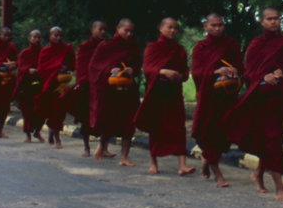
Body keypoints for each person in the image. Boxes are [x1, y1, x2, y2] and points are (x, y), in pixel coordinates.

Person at [231, 8, 283, 200]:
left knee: (276, 141)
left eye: (276, 18)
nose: (274, 22)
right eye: (269, 19)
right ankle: (280, 188)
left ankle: (258, 174)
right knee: (271, 141)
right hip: (261, 101)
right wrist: (264, 76)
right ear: (262, 22)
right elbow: (248, 74)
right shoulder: (256, 44)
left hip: (282, 99)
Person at [134, 17, 197, 176]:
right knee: (157, 128)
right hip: (157, 93)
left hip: (174, 94)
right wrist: (163, 71)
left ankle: (182, 165)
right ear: (161, 29)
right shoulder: (152, 47)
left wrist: (179, 76)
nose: (173, 31)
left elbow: (185, 71)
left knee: (178, 128)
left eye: (175, 28)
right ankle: (153, 162)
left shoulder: (179, 49)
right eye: (169, 27)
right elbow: (147, 69)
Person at [189, 13, 244, 188]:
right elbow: (196, 72)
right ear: (205, 27)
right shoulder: (200, 47)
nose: (217, 28)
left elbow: (241, 67)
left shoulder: (231, 45)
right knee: (208, 133)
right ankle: (217, 174)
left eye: (220, 25)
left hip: (227, 96)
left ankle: (207, 160)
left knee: (222, 135)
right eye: (213, 25)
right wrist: (215, 71)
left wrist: (233, 70)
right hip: (208, 98)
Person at [88, 19, 140, 166]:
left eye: (131, 31)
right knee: (108, 119)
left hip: (128, 89)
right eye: (126, 30)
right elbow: (94, 66)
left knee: (129, 123)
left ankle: (124, 157)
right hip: (110, 90)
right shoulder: (106, 45)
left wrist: (133, 70)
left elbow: (137, 66)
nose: (129, 34)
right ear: (118, 29)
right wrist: (109, 69)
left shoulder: (134, 47)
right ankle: (101, 147)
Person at [33, 27, 75, 149]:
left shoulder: (67, 48)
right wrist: (54, 68)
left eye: (61, 35)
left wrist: (65, 67)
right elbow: (40, 68)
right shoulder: (45, 51)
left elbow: (74, 64)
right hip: (49, 86)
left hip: (62, 85)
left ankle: (53, 134)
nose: (59, 38)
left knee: (59, 112)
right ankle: (56, 137)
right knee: (51, 111)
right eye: (56, 35)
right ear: (50, 37)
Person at [70, 22, 107, 157]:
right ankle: (86, 148)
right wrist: (80, 81)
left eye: (105, 30)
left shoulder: (107, 47)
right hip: (87, 85)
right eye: (100, 29)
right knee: (86, 116)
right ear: (92, 30)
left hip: (103, 85)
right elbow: (79, 66)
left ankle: (104, 147)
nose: (103, 32)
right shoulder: (84, 47)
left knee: (104, 116)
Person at [13, 30, 45, 142]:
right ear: (29, 38)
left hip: (40, 84)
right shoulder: (25, 53)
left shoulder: (44, 52)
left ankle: (37, 132)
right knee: (27, 111)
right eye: (34, 37)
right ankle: (28, 135)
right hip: (27, 86)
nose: (36, 39)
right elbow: (20, 68)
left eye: (39, 37)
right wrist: (28, 70)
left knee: (41, 110)